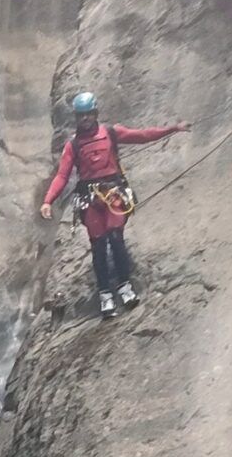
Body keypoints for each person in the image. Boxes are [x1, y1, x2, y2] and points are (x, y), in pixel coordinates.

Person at [38, 91, 189, 317]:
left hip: (113, 194)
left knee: (116, 239)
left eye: (88, 114)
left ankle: (125, 286)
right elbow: (62, 175)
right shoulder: (73, 145)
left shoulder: (110, 132)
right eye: (81, 115)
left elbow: (142, 135)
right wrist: (47, 201)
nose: (85, 119)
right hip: (90, 199)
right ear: (76, 117)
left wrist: (173, 129)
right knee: (98, 246)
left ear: (96, 113)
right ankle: (105, 294)